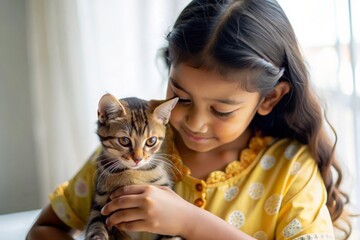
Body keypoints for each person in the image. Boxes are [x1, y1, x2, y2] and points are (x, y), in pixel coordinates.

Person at [27, 0, 352, 239]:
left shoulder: (290, 172)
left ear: (269, 98)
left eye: (221, 110)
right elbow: (44, 229)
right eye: (181, 97)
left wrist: (190, 223)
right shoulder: (125, 158)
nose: (195, 123)